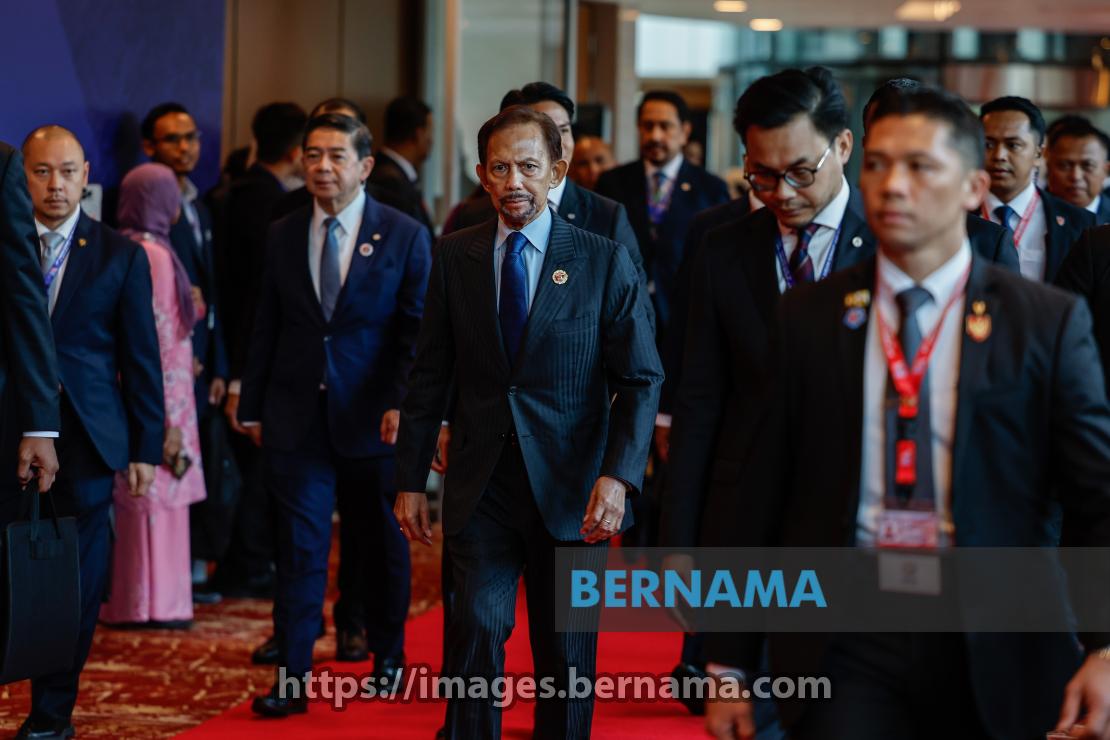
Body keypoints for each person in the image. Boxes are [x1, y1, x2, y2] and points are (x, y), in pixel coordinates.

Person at [703, 85, 1110, 740]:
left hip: (996, 629)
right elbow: (764, 489)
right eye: (879, 164)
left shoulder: (1043, 323)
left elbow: (1096, 496)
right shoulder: (809, 317)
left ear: (974, 187)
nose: (893, 185)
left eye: (920, 166)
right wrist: (729, 660)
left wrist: (1104, 646)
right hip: (847, 634)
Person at [393, 105, 661, 739]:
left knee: (566, 654)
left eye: (529, 167)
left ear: (556, 172)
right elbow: (429, 373)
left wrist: (619, 477)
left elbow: (641, 378)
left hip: (574, 489)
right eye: (500, 168)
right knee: (475, 632)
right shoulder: (454, 255)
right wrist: (409, 478)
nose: (514, 181)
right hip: (481, 482)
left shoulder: (602, 259)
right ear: (482, 175)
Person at [661, 67, 873, 720]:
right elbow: (699, 401)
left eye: (800, 173)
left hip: (862, 521)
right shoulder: (724, 249)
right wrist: (679, 541)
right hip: (747, 517)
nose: (781, 193)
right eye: (761, 176)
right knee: (754, 709)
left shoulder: (891, 242)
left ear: (842, 146)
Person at [239, 113, 431, 716]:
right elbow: (267, 323)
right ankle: (292, 678)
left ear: (364, 166)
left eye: (336, 156)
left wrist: (403, 402)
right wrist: (252, 404)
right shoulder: (283, 231)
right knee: (299, 550)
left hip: (374, 420)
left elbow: (417, 332)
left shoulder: (402, 234)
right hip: (297, 417)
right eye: (313, 155)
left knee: (380, 547)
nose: (322, 167)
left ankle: (388, 657)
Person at [9, 129, 160, 740]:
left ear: (87, 175)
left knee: (74, 584)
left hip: (89, 438)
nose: (56, 185)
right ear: (21, 175)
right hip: (9, 429)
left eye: (68, 171)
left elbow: (141, 358)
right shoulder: (6, 244)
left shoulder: (120, 254)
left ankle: (51, 716)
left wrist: (147, 446)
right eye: (42, 171)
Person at [205, 102, 308, 603]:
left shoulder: (229, 192)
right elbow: (254, 297)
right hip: (249, 354)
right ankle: (245, 563)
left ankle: (241, 560)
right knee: (254, 468)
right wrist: (242, 373)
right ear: (296, 151)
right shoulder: (272, 206)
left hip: (229, 349)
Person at [96, 163, 206, 628]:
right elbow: (155, 335)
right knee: (155, 492)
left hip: (153, 386)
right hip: (162, 390)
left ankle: (140, 599)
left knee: (146, 495)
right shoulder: (153, 255)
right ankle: (155, 602)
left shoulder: (130, 248)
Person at [443, 82, 645, 283]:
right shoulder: (469, 218)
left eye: (563, 130)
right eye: (543, 129)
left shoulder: (607, 217)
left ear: (557, 172)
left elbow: (632, 296)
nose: (558, 142)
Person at [596, 89, 730, 335]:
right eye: (648, 126)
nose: (655, 136)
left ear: (685, 131)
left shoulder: (711, 189)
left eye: (665, 126)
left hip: (687, 316)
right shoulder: (612, 183)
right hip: (625, 313)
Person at [142, 102, 229, 415]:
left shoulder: (200, 206)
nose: (185, 147)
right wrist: (175, 359)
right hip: (166, 362)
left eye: (191, 137)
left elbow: (212, 289)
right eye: (172, 139)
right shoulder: (143, 212)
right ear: (149, 146)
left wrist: (219, 365)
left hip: (202, 360)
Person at [979, 96, 1094, 281]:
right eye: (988, 145)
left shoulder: (1079, 224)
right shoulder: (954, 214)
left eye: (1013, 145)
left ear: (1039, 154)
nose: (999, 155)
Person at [369, 96, 435, 235]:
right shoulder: (388, 180)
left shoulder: (395, 173)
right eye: (430, 131)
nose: (432, 140)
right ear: (419, 134)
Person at [1045, 115, 1110, 225]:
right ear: (1049, 166)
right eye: (1065, 165)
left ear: (1106, 171)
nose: (1076, 176)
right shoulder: (1030, 214)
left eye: (1087, 166)